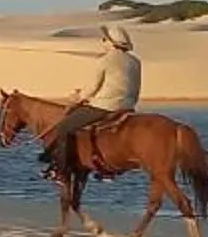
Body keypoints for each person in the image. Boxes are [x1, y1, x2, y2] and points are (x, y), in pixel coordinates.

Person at [40, 23, 143, 171]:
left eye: (104, 39)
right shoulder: (135, 61)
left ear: (111, 42)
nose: (102, 42)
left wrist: (78, 97)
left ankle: (61, 168)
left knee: (64, 127)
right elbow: (135, 88)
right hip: (128, 107)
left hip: (105, 107)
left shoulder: (105, 60)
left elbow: (93, 88)